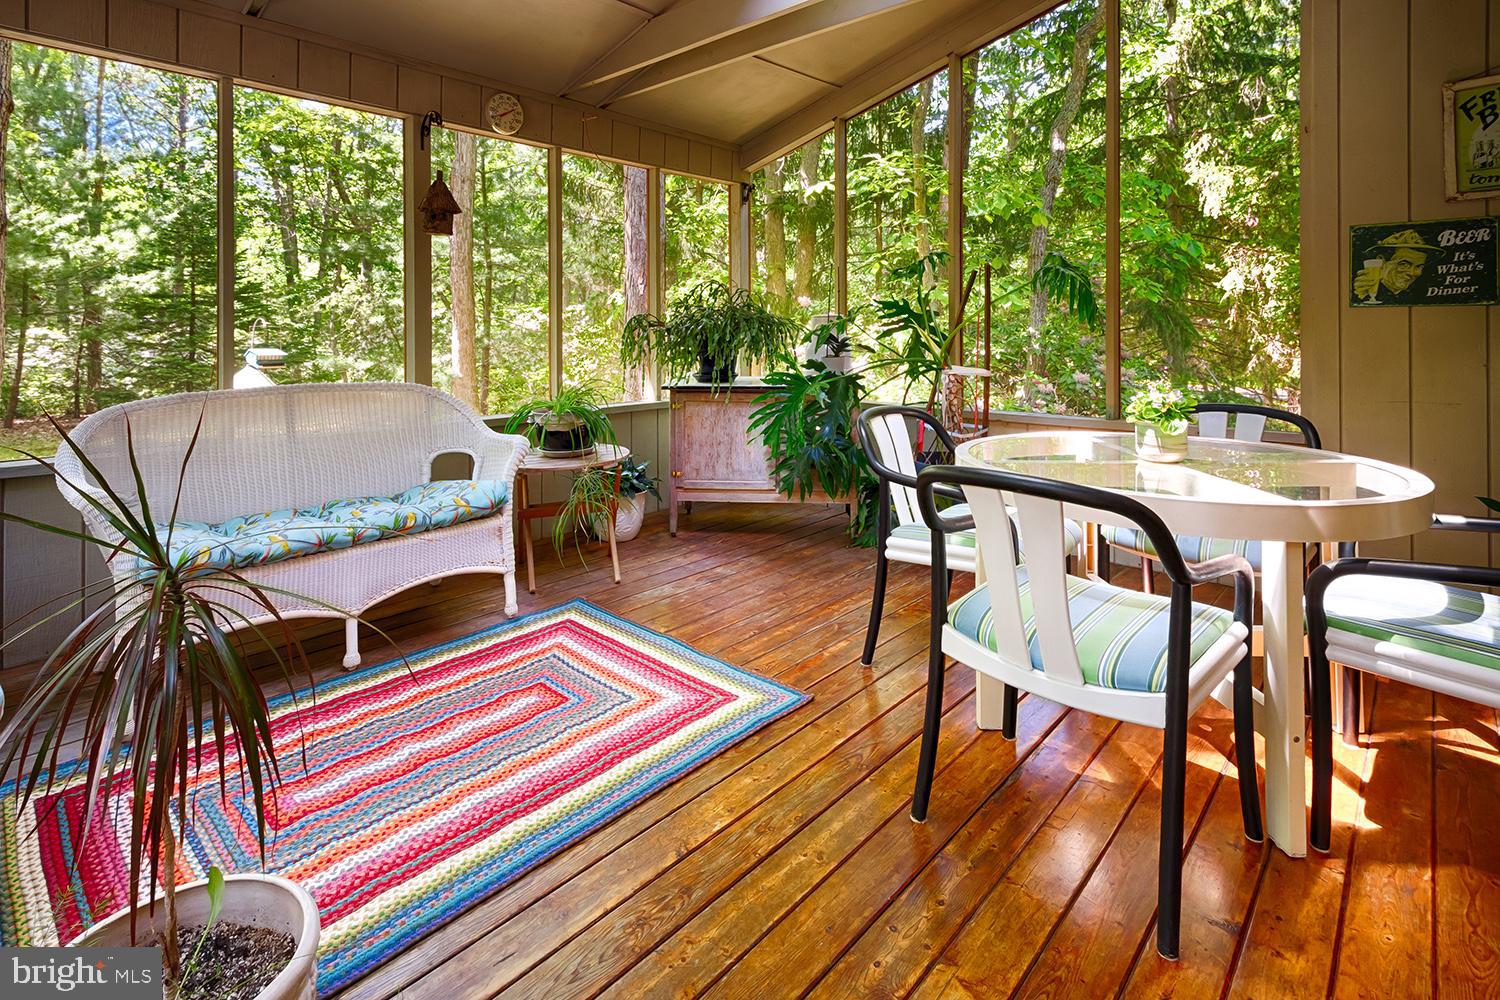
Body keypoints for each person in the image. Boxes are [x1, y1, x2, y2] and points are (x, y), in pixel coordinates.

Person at [1354, 229, 1442, 302]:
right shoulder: (1363, 291)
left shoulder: (1418, 297)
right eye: (1404, 264)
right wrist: (1361, 297)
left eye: (1419, 267)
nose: (1413, 273)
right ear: (1381, 260)